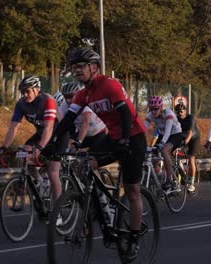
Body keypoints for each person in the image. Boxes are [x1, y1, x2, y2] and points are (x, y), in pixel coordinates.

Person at [52, 47, 147, 262]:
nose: (76, 70)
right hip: (113, 136)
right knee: (85, 166)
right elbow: (67, 121)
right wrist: (53, 145)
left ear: (94, 67)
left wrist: (124, 140)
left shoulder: (109, 85)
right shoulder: (83, 94)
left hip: (133, 136)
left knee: (132, 191)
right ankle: (98, 208)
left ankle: (133, 238)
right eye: (73, 67)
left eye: (80, 66)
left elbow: (125, 114)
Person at [0, 76, 57, 194]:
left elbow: (49, 127)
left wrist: (39, 148)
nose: (24, 94)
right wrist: (4, 147)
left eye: (27, 91)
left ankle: (57, 207)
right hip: (42, 133)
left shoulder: (47, 100)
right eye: (22, 92)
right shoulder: (21, 104)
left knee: (53, 169)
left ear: (37, 89)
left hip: (57, 134)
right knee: (24, 154)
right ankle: (40, 180)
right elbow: (14, 127)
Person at [48, 82, 107, 204]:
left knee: (91, 163)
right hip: (82, 133)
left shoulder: (84, 102)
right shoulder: (64, 105)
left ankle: (103, 197)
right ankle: (82, 186)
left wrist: (79, 142)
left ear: (78, 94)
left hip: (97, 133)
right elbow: (64, 126)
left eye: (71, 96)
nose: (69, 100)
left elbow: (85, 123)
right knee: (74, 158)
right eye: (66, 97)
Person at [144, 96, 183, 191]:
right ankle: (159, 176)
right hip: (162, 135)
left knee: (164, 151)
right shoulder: (150, 115)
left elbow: (168, 132)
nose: (153, 111)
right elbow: (143, 129)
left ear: (161, 108)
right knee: (152, 156)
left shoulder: (168, 113)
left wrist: (161, 144)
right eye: (151, 108)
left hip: (175, 135)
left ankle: (169, 180)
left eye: (156, 109)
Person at [175, 103, 201, 193]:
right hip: (183, 136)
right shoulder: (177, 119)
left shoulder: (191, 118)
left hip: (194, 138)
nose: (180, 113)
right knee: (174, 154)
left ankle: (192, 183)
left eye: (181, 111)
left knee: (191, 159)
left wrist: (185, 143)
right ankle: (180, 176)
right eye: (178, 112)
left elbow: (190, 132)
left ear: (185, 111)